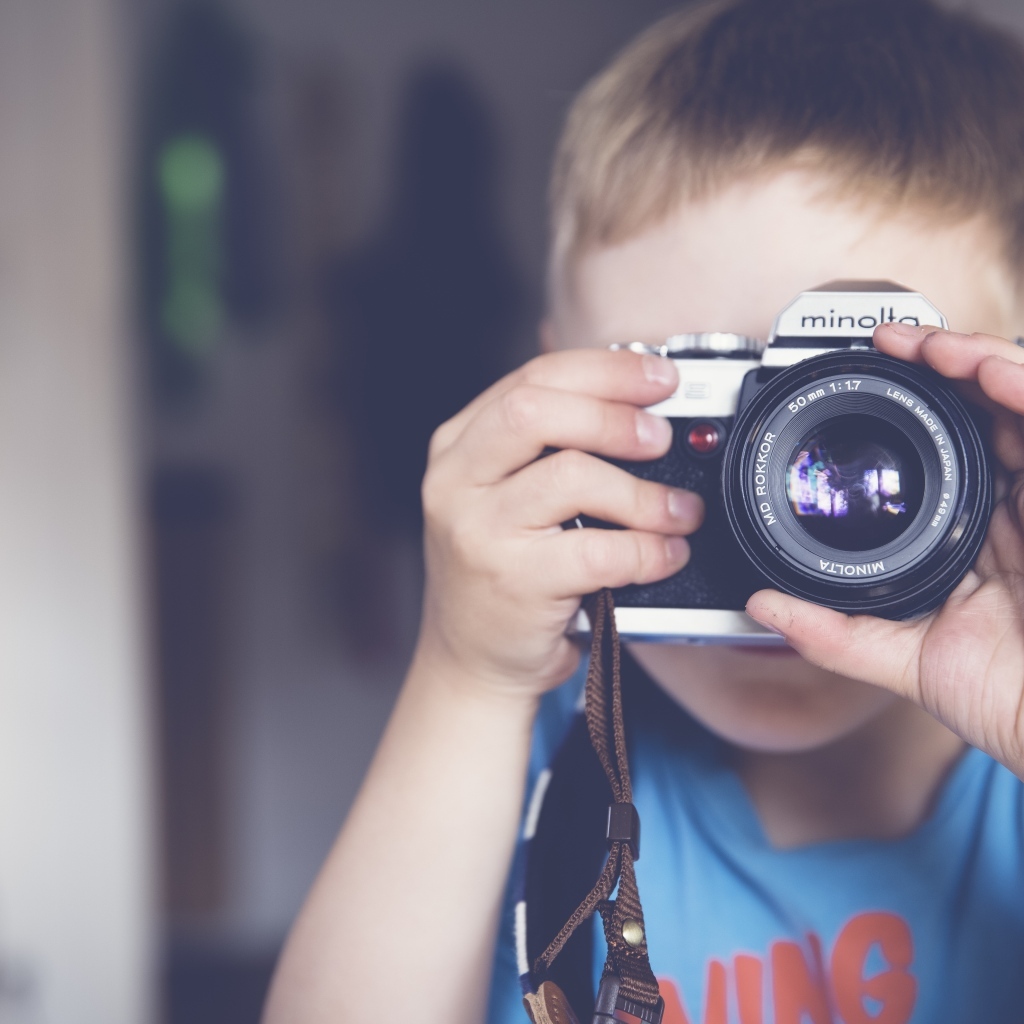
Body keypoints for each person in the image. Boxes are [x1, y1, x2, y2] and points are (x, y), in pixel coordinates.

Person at [262, 1, 1024, 1021]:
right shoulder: (531, 764)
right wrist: (468, 669)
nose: (779, 520)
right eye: (697, 401)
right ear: (551, 389)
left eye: (857, 415)